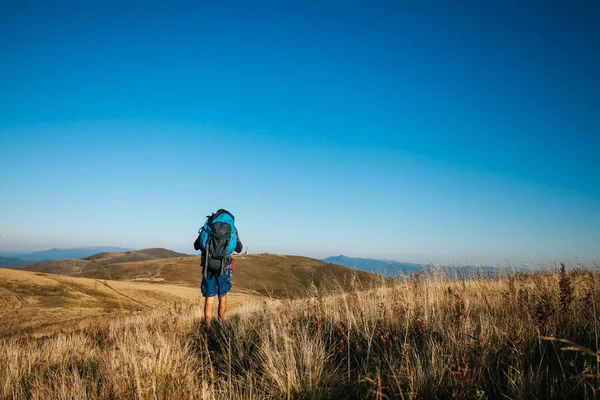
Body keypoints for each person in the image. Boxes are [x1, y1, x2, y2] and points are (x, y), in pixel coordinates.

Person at [194, 209, 243, 326]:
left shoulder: (209, 225)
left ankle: (207, 327)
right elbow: (239, 248)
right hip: (224, 267)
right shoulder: (233, 228)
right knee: (223, 297)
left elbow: (196, 245)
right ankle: (221, 325)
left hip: (208, 267)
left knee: (209, 298)